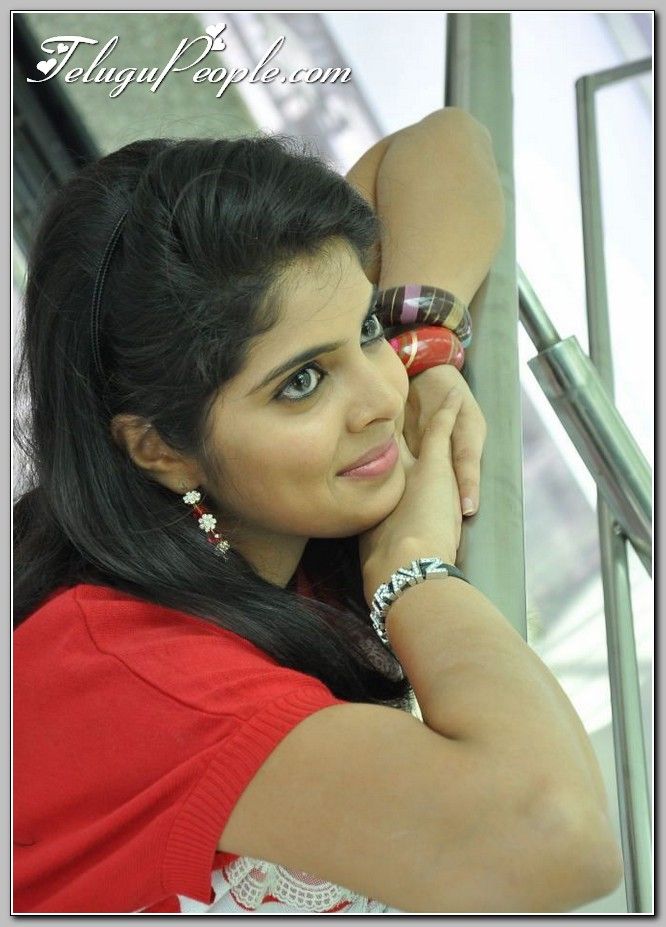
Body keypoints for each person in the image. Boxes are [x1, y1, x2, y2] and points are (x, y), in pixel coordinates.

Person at [13, 108, 622, 914]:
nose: (381, 399)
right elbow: (560, 837)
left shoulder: (266, 524)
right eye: (302, 383)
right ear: (160, 446)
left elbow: (443, 144)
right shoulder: (124, 668)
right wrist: (412, 570)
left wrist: (428, 349)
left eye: (364, 328)